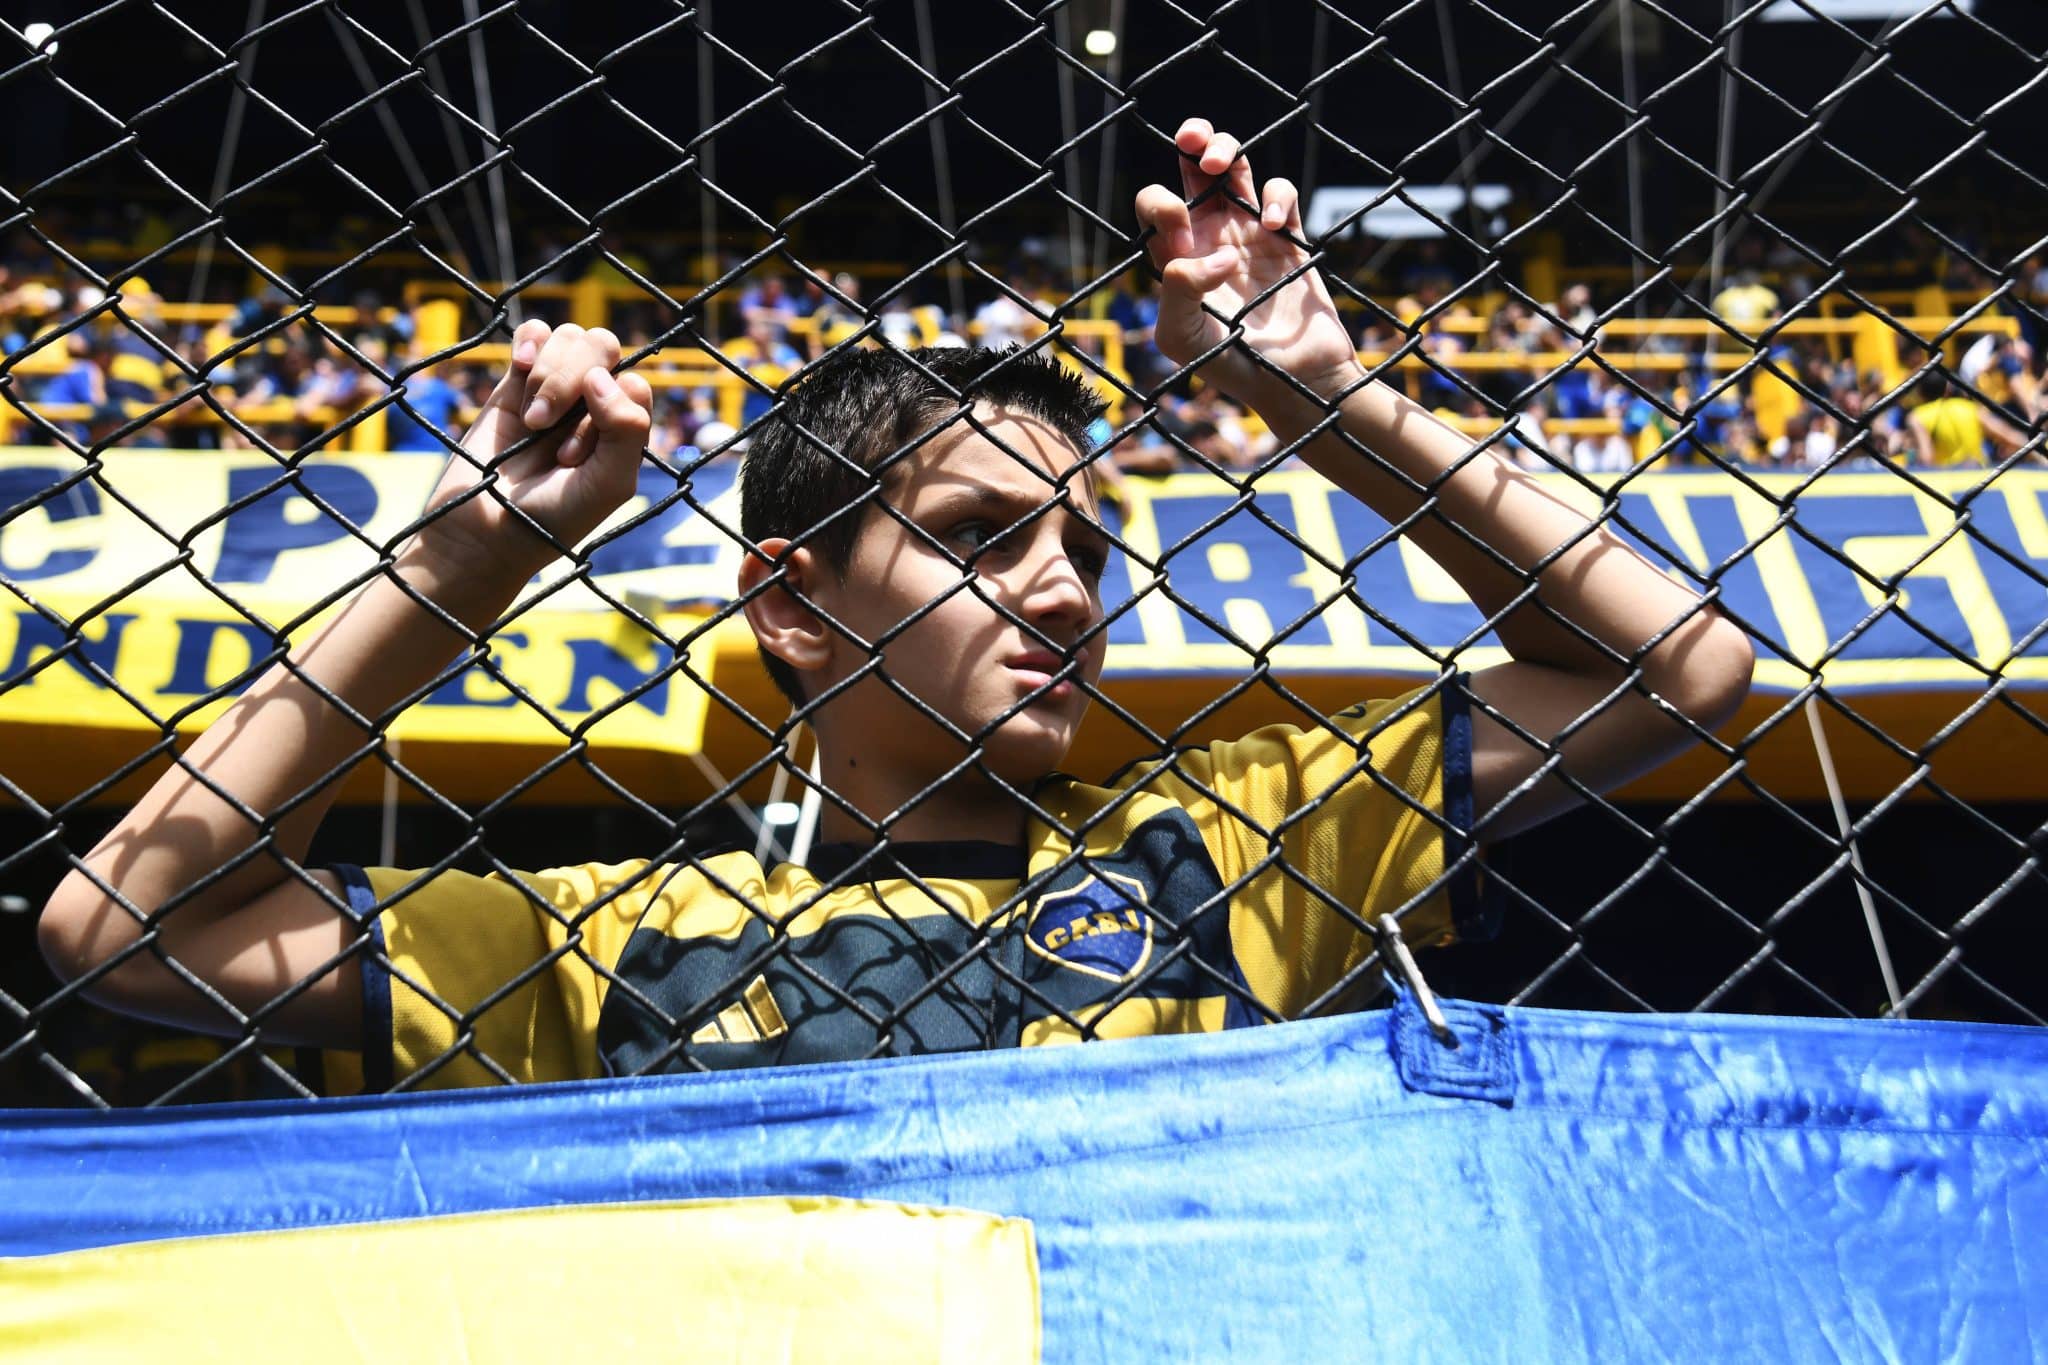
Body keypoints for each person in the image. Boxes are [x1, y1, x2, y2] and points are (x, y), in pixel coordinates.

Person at [38, 120, 1754, 1090]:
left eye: (1086, 543)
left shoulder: (1224, 840)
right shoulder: (610, 938)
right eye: (985, 534)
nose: (1066, 590)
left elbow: (1683, 669)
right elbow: (113, 931)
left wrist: (1327, 403)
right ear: (790, 603)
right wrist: (466, 561)